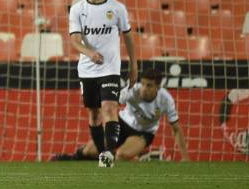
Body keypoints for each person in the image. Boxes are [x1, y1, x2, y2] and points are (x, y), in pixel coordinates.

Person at [68, 0, 137, 168]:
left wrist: (134, 66)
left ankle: (108, 153)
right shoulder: (77, 10)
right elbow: (74, 40)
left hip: (110, 69)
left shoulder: (117, 8)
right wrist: (89, 53)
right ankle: (101, 152)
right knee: (94, 113)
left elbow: (128, 38)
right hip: (87, 70)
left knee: (109, 107)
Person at [52, 66, 188, 162]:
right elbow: (112, 106)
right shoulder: (132, 90)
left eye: (149, 86)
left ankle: (133, 156)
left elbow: (176, 129)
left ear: (158, 87)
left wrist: (185, 158)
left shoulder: (166, 100)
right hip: (122, 124)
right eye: (143, 84)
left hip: (143, 133)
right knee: (89, 151)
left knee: (121, 155)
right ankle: (74, 158)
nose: (144, 89)